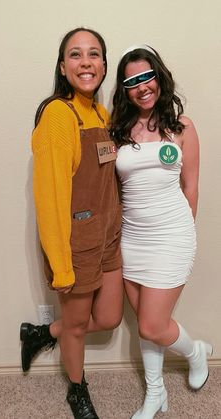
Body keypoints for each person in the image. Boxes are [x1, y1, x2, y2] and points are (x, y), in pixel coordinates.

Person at [20, 27, 123, 419]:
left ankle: (41, 334)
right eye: (76, 55)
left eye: (94, 54)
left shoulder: (100, 113)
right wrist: (61, 266)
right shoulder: (58, 116)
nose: (86, 62)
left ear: (103, 64)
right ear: (63, 67)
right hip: (76, 244)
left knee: (110, 318)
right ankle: (77, 391)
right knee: (77, 326)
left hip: (108, 239)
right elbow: (49, 198)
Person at [110, 45, 213, 419]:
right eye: (132, 81)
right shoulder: (118, 131)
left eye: (147, 76)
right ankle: (157, 395)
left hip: (171, 236)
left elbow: (192, 187)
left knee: (154, 323)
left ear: (159, 76)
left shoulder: (182, 127)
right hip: (132, 238)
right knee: (144, 323)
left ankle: (194, 351)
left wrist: (184, 232)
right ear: (125, 89)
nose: (142, 86)